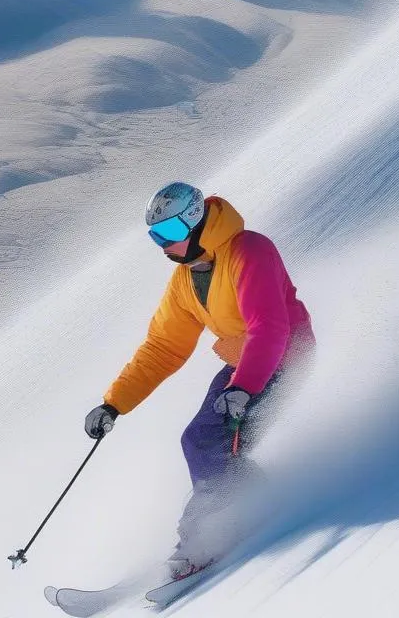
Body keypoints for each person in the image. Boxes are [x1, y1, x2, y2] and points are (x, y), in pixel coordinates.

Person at [83, 181, 315, 579]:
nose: (163, 245)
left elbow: (270, 327)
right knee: (210, 443)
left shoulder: (249, 251)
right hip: (244, 365)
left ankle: (204, 537)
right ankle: (246, 507)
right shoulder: (186, 279)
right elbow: (163, 348)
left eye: (170, 233)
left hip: (281, 358)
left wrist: (244, 387)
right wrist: (113, 404)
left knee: (205, 439)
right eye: (156, 236)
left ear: (195, 223)